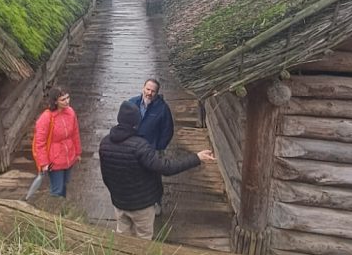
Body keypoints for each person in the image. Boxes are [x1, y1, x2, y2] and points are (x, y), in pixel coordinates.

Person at [99, 101, 215, 240]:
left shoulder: (104, 143)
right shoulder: (140, 147)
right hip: (142, 205)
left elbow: (105, 176)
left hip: (119, 203)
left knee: (122, 238)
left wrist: (116, 194)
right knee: (144, 239)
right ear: (135, 123)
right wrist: (197, 158)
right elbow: (166, 168)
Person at [32, 86, 81, 197]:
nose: (67, 101)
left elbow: (75, 133)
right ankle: (54, 206)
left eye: (68, 97)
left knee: (65, 184)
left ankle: (62, 206)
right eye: (63, 99)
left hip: (69, 156)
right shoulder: (46, 118)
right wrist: (44, 163)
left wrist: (78, 153)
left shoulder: (70, 112)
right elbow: (40, 143)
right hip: (53, 161)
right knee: (57, 189)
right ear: (55, 102)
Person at [128, 78, 174, 151]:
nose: (149, 93)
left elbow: (167, 131)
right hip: (131, 147)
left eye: (153, 91)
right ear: (143, 88)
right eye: (148, 89)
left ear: (157, 93)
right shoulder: (132, 102)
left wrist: (158, 148)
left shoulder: (163, 108)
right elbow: (123, 123)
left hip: (150, 150)